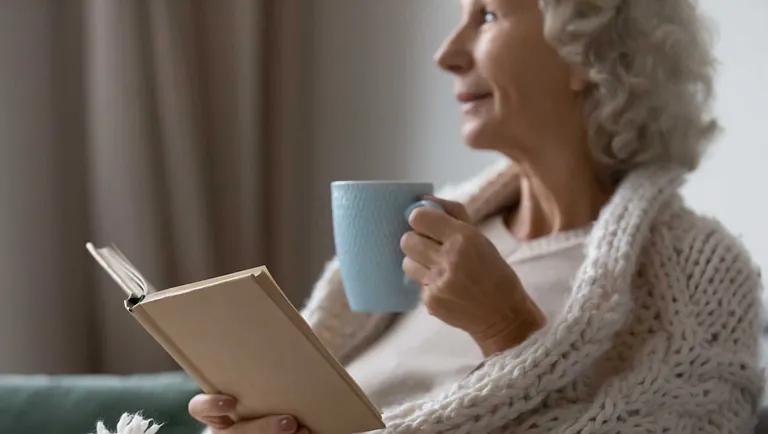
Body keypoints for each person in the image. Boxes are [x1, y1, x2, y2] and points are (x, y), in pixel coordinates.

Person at [189, 0, 764, 433]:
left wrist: (506, 328)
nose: (446, 54)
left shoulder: (698, 273)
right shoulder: (436, 230)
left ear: (590, 51)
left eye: (487, 14)